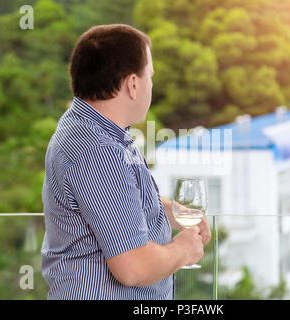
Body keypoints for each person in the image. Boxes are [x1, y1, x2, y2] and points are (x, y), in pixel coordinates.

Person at [41, 24, 211, 300]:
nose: (151, 84)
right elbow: (133, 266)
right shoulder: (97, 150)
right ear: (133, 84)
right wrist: (183, 250)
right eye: (150, 76)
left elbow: (121, 206)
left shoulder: (93, 128)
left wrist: (175, 212)